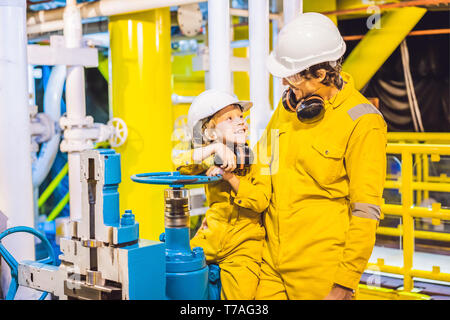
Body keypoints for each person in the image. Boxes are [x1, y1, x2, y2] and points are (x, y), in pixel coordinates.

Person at [249, 12, 387, 300]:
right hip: (270, 262)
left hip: (321, 272)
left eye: (293, 75)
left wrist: (344, 283)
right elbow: (260, 163)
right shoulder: (287, 109)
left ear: (322, 74)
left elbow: (366, 211)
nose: (286, 83)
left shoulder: (362, 122)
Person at [172, 89, 271, 300]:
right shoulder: (210, 157)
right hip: (210, 237)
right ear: (210, 133)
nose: (240, 122)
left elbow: (261, 200)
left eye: (241, 117)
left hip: (245, 247)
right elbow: (177, 163)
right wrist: (213, 150)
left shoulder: (258, 159)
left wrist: (230, 178)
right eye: (229, 118)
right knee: (173, 273)